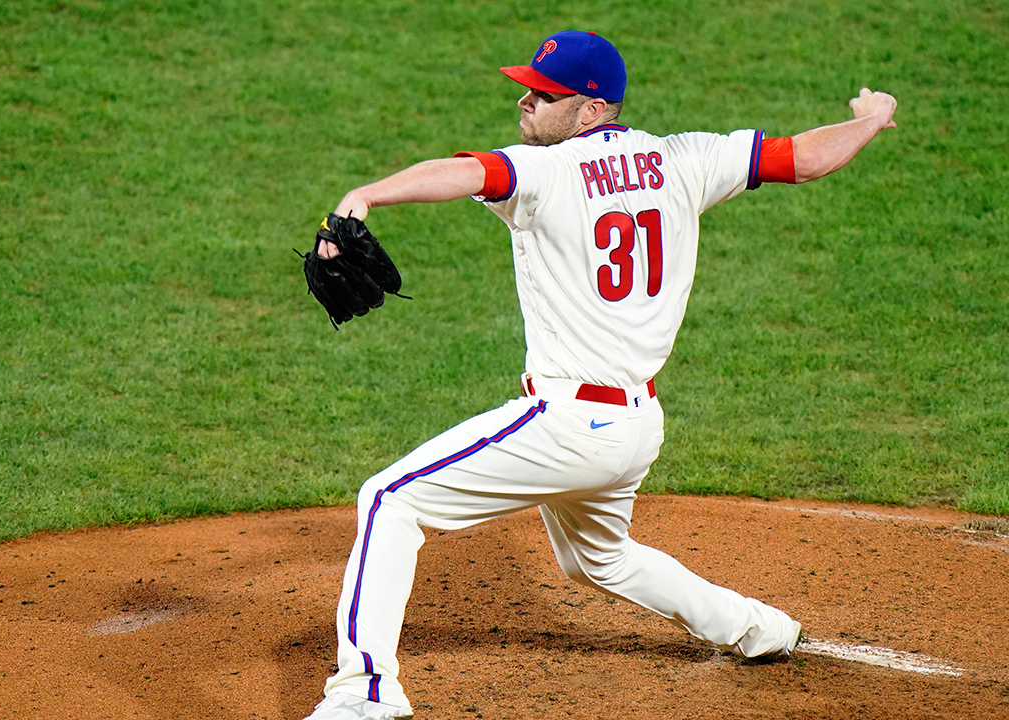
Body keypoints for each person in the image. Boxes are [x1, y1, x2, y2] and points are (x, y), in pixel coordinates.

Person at [300, 29, 898, 720]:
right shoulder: (687, 158)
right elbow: (805, 158)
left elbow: (472, 173)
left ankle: (366, 694)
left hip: (567, 424)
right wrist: (871, 120)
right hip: (637, 426)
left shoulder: (545, 170)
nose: (525, 102)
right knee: (598, 559)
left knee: (388, 500)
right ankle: (756, 628)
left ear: (590, 110)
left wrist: (362, 196)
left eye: (543, 95)